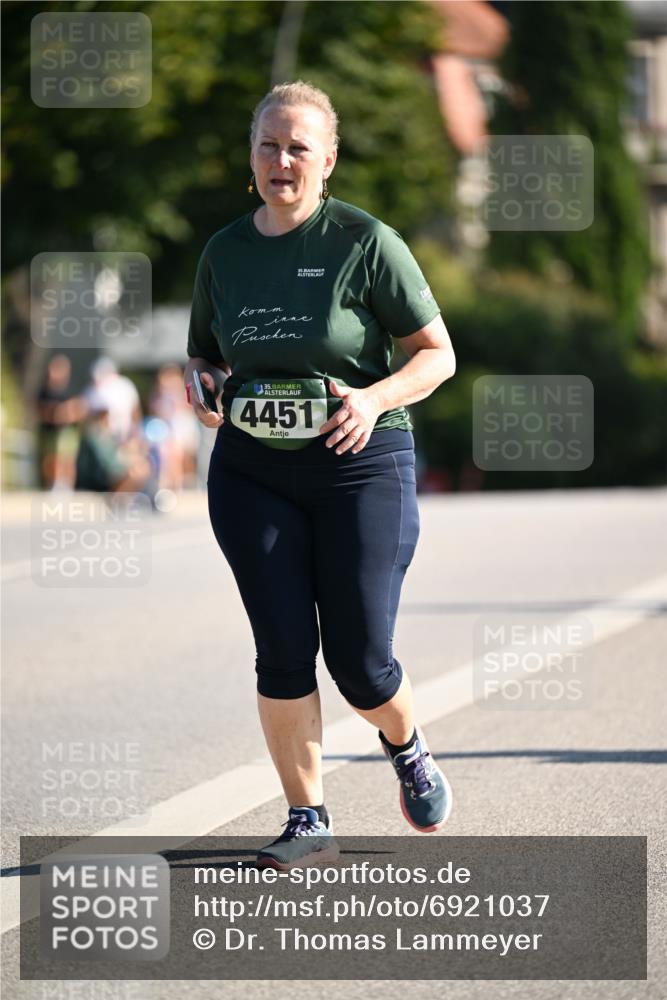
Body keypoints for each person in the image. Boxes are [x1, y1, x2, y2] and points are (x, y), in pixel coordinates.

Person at [185, 81, 457, 870]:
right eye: (268, 144)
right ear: (250, 157)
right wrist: (201, 384)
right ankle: (308, 818)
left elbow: (435, 354)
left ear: (327, 160)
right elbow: (205, 355)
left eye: (298, 147)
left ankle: (404, 742)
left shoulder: (365, 242)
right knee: (280, 649)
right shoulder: (224, 252)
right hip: (251, 472)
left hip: (359, 464)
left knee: (361, 661)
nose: (281, 160)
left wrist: (372, 400)